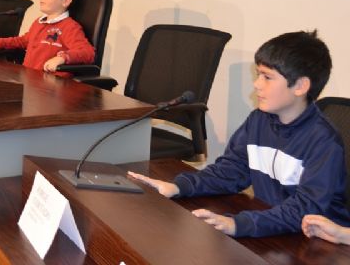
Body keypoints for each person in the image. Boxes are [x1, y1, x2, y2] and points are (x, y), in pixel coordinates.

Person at [128, 30, 350, 238]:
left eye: (267, 77)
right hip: (273, 229)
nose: (256, 84)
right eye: (258, 75)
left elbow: (303, 211)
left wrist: (239, 224)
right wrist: (178, 186)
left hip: (317, 242)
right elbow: (230, 172)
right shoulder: (258, 121)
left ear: (300, 86)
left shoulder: (323, 141)